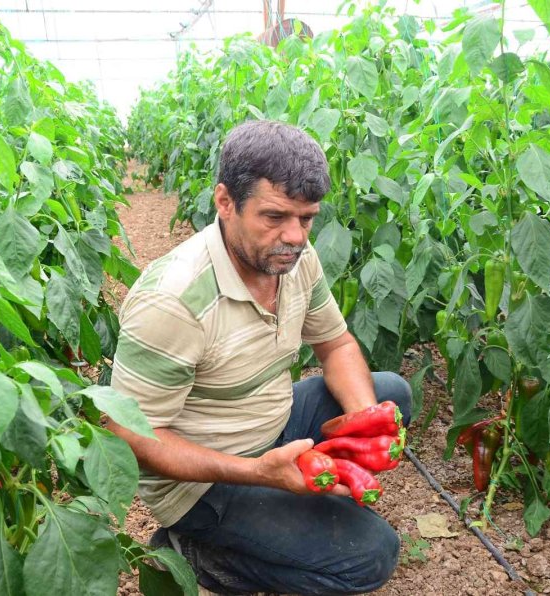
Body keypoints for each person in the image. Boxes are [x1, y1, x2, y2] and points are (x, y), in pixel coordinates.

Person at [107, 120, 412, 595]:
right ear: (225, 202)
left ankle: (290, 517)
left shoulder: (291, 258)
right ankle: (198, 555)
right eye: (274, 216)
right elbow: (129, 434)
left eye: (307, 218)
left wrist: (361, 422)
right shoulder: (173, 303)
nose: (295, 235)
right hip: (203, 483)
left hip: (272, 426)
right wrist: (258, 474)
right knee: (371, 557)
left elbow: (337, 345)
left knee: (389, 395)